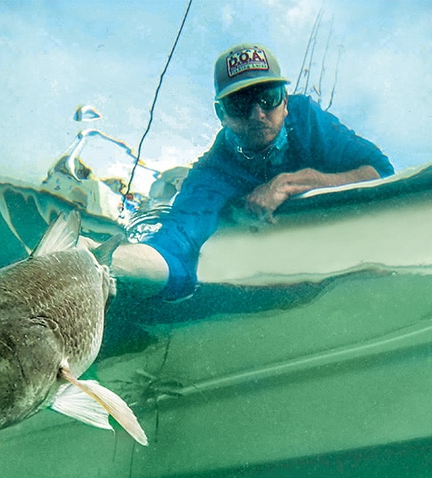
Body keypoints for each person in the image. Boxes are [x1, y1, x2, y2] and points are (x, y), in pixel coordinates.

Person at [110, 43, 394, 301]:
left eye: (268, 98)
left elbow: (380, 171)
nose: (258, 114)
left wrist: (293, 182)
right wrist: (108, 261)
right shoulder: (211, 173)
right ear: (222, 115)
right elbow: (175, 246)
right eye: (240, 104)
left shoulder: (306, 119)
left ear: (285, 102)